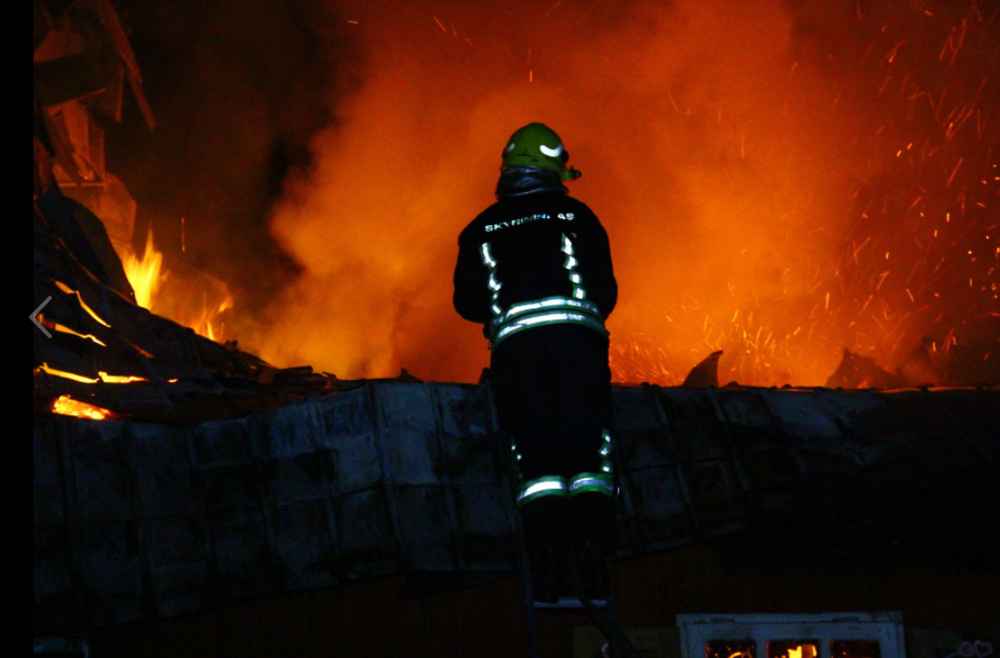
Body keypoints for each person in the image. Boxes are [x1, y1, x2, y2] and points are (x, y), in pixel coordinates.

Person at [452, 122, 618, 602]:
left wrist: (507, 310)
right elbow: (605, 290)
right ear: (554, 171)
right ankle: (594, 571)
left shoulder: (479, 228)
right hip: (578, 353)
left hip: (518, 359)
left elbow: (466, 303)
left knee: (537, 463)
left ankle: (548, 577)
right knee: (589, 457)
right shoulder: (577, 215)